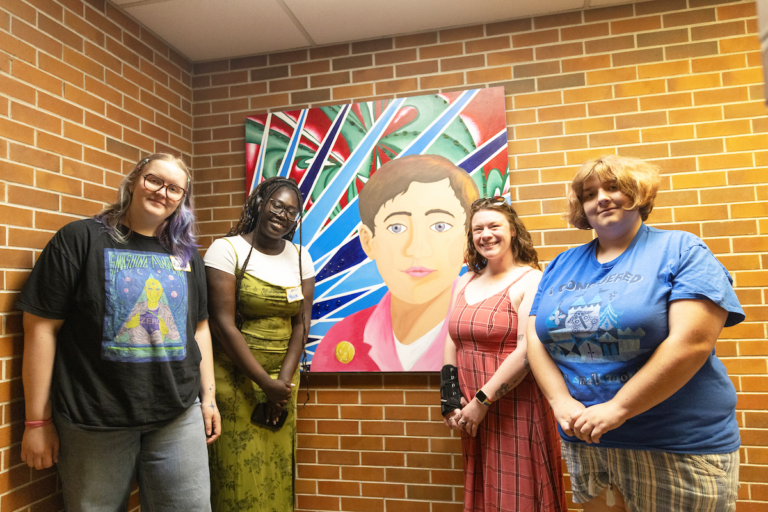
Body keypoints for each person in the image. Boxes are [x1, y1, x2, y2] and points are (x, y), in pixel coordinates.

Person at [527, 155, 744, 511]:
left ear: (638, 192)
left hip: (676, 446)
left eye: (613, 188)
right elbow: (535, 338)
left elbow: (692, 343)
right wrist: (559, 402)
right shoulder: (562, 263)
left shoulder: (682, 250)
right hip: (588, 442)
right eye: (589, 194)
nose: (601, 199)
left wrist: (619, 408)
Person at [17, 153, 220, 511]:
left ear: (182, 200)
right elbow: (40, 328)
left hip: (177, 414)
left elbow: (199, 327)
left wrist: (209, 399)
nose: (162, 192)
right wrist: (37, 420)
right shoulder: (79, 239)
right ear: (135, 179)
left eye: (175, 189)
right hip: (95, 418)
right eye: (154, 180)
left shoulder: (187, 255)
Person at [442, 197, 567, 512]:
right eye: (478, 229)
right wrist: (450, 397)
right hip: (471, 411)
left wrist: (481, 402)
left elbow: (527, 351)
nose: (486, 235)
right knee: (486, 490)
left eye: (494, 226)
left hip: (515, 406)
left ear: (512, 231)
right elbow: (451, 340)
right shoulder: (464, 281)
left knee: (518, 493)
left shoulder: (531, 280)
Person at [205, 176, 315, 511]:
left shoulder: (301, 256)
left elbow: (301, 324)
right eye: (277, 205)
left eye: (291, 211)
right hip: (235, 381)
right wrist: (264, 383)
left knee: (275, 470)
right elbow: (222, 325)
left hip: (282, 383)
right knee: (236, 472)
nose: (283, 215)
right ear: (259, 203)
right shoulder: (227, 250)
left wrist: (282, 385)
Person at [311, 155, 479, 371]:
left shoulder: (484, 329)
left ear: (468, 240)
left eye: (440, 226)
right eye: (397, 227)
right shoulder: (341, 340)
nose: (417, 249)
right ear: (368, 242)